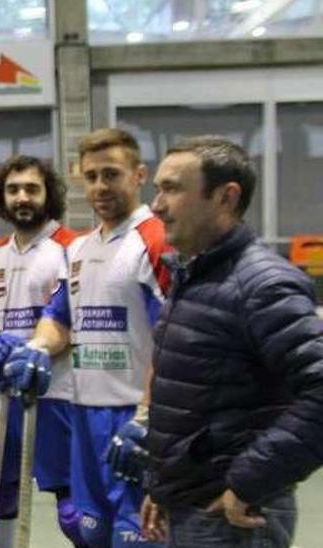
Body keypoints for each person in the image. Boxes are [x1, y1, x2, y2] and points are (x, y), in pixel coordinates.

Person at [136, 137, 323, 547]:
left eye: (171, 189)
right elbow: (192, 400)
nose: (156, 205)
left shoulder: (263, 285)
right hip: (189, 506)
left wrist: (249, 481)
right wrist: (162, 486)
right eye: (157, 190)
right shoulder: (195, 276)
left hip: (232, 516)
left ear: (226, 197)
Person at [2, 128, 170, 548]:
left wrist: (147, 417)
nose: (100, 186)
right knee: (90, 533)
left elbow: (172, 340)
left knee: (139, 538)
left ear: (139, 175)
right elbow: (58, 318)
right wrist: (37, 348)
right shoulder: (77, 249)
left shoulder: (155, 240)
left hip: (135, 420)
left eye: (111, 174)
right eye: (91, 176)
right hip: (84, 416)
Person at [0, 155, 83, 547]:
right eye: (13, 189)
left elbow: (72, 321)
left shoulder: (72, 248)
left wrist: (32, 349)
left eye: (32, 189)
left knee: (73, 509)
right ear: (3, 197)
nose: (22, 197)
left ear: (48, 194)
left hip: (54, 391)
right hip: (1, 393)